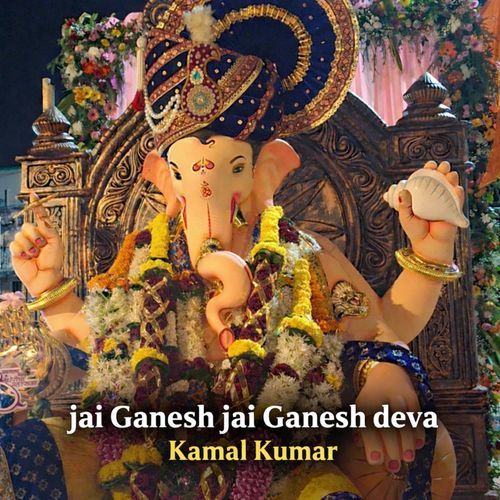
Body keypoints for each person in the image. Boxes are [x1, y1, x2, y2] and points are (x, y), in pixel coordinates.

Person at [2, 1, 460, 498]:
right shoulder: (142, 260)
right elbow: (101, 335)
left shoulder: (302, 257)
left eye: (233, 169)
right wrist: (50, 287)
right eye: (185, 173)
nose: (206, 192)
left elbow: (384, 326)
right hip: (146, 455)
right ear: (166, 181)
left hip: (281, 464)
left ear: (266, 173)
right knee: (22, 454)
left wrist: (387, 362)